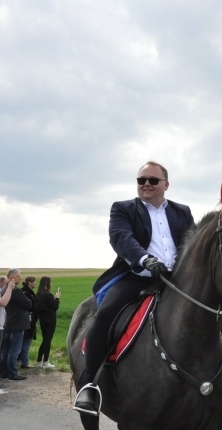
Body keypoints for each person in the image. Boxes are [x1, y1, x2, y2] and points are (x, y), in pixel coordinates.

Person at [73, 160, 194, 415]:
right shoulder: (123, 208)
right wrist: (145, 259)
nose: (146, 184)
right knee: (106, 314)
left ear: (166, 185)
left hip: (176, 281)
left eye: (153, 180)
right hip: (137, 277)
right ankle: (88, 385)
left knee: (213, 309)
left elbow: (190, 244)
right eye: (141, 180)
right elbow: (121, 238)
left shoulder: (182, 212)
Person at [0, 269, 30, 381]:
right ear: (12, 277)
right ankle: (12, 373)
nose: (19, 278)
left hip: (8, 322)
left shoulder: (4, 289)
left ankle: (3, 372)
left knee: (5, 349)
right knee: (14, 349)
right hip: (18, 323)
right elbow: (28, 304)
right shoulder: (16, 291)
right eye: (18, 276)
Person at [35, 276, 60, 369]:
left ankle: (38, 361)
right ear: (47, 283)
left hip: (42, 319)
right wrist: (57, 298)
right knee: (48, 340)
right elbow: (54, 307)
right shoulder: (48, 295)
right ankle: (45, 362)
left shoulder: (39, 294)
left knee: (44, 340)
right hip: (50, 319)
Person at [19, 276, 38, 369]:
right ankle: (24, 362)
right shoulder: (27, 293)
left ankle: (21, 360)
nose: (35, 283)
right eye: (34, 282)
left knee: (23, 341)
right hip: (28, 320)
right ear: (29, 282)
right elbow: (30, 306)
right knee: (26, 341)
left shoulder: (24, 291)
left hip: (27, 320)